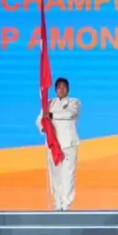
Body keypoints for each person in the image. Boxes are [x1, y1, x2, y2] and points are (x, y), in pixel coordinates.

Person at [36, 77, 80, 211]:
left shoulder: (74, 102)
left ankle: (66, 205)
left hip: (68, 144)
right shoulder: (49, 103)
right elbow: (39, 120)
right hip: (53, 144)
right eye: (59, 87)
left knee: (68, 176)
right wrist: (43, 126)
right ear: (55, 89)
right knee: (56, 176)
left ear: (68, 89)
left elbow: (70, 114)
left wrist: (51, 115)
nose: (61, 89)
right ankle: (57, 204)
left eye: (64, 87)